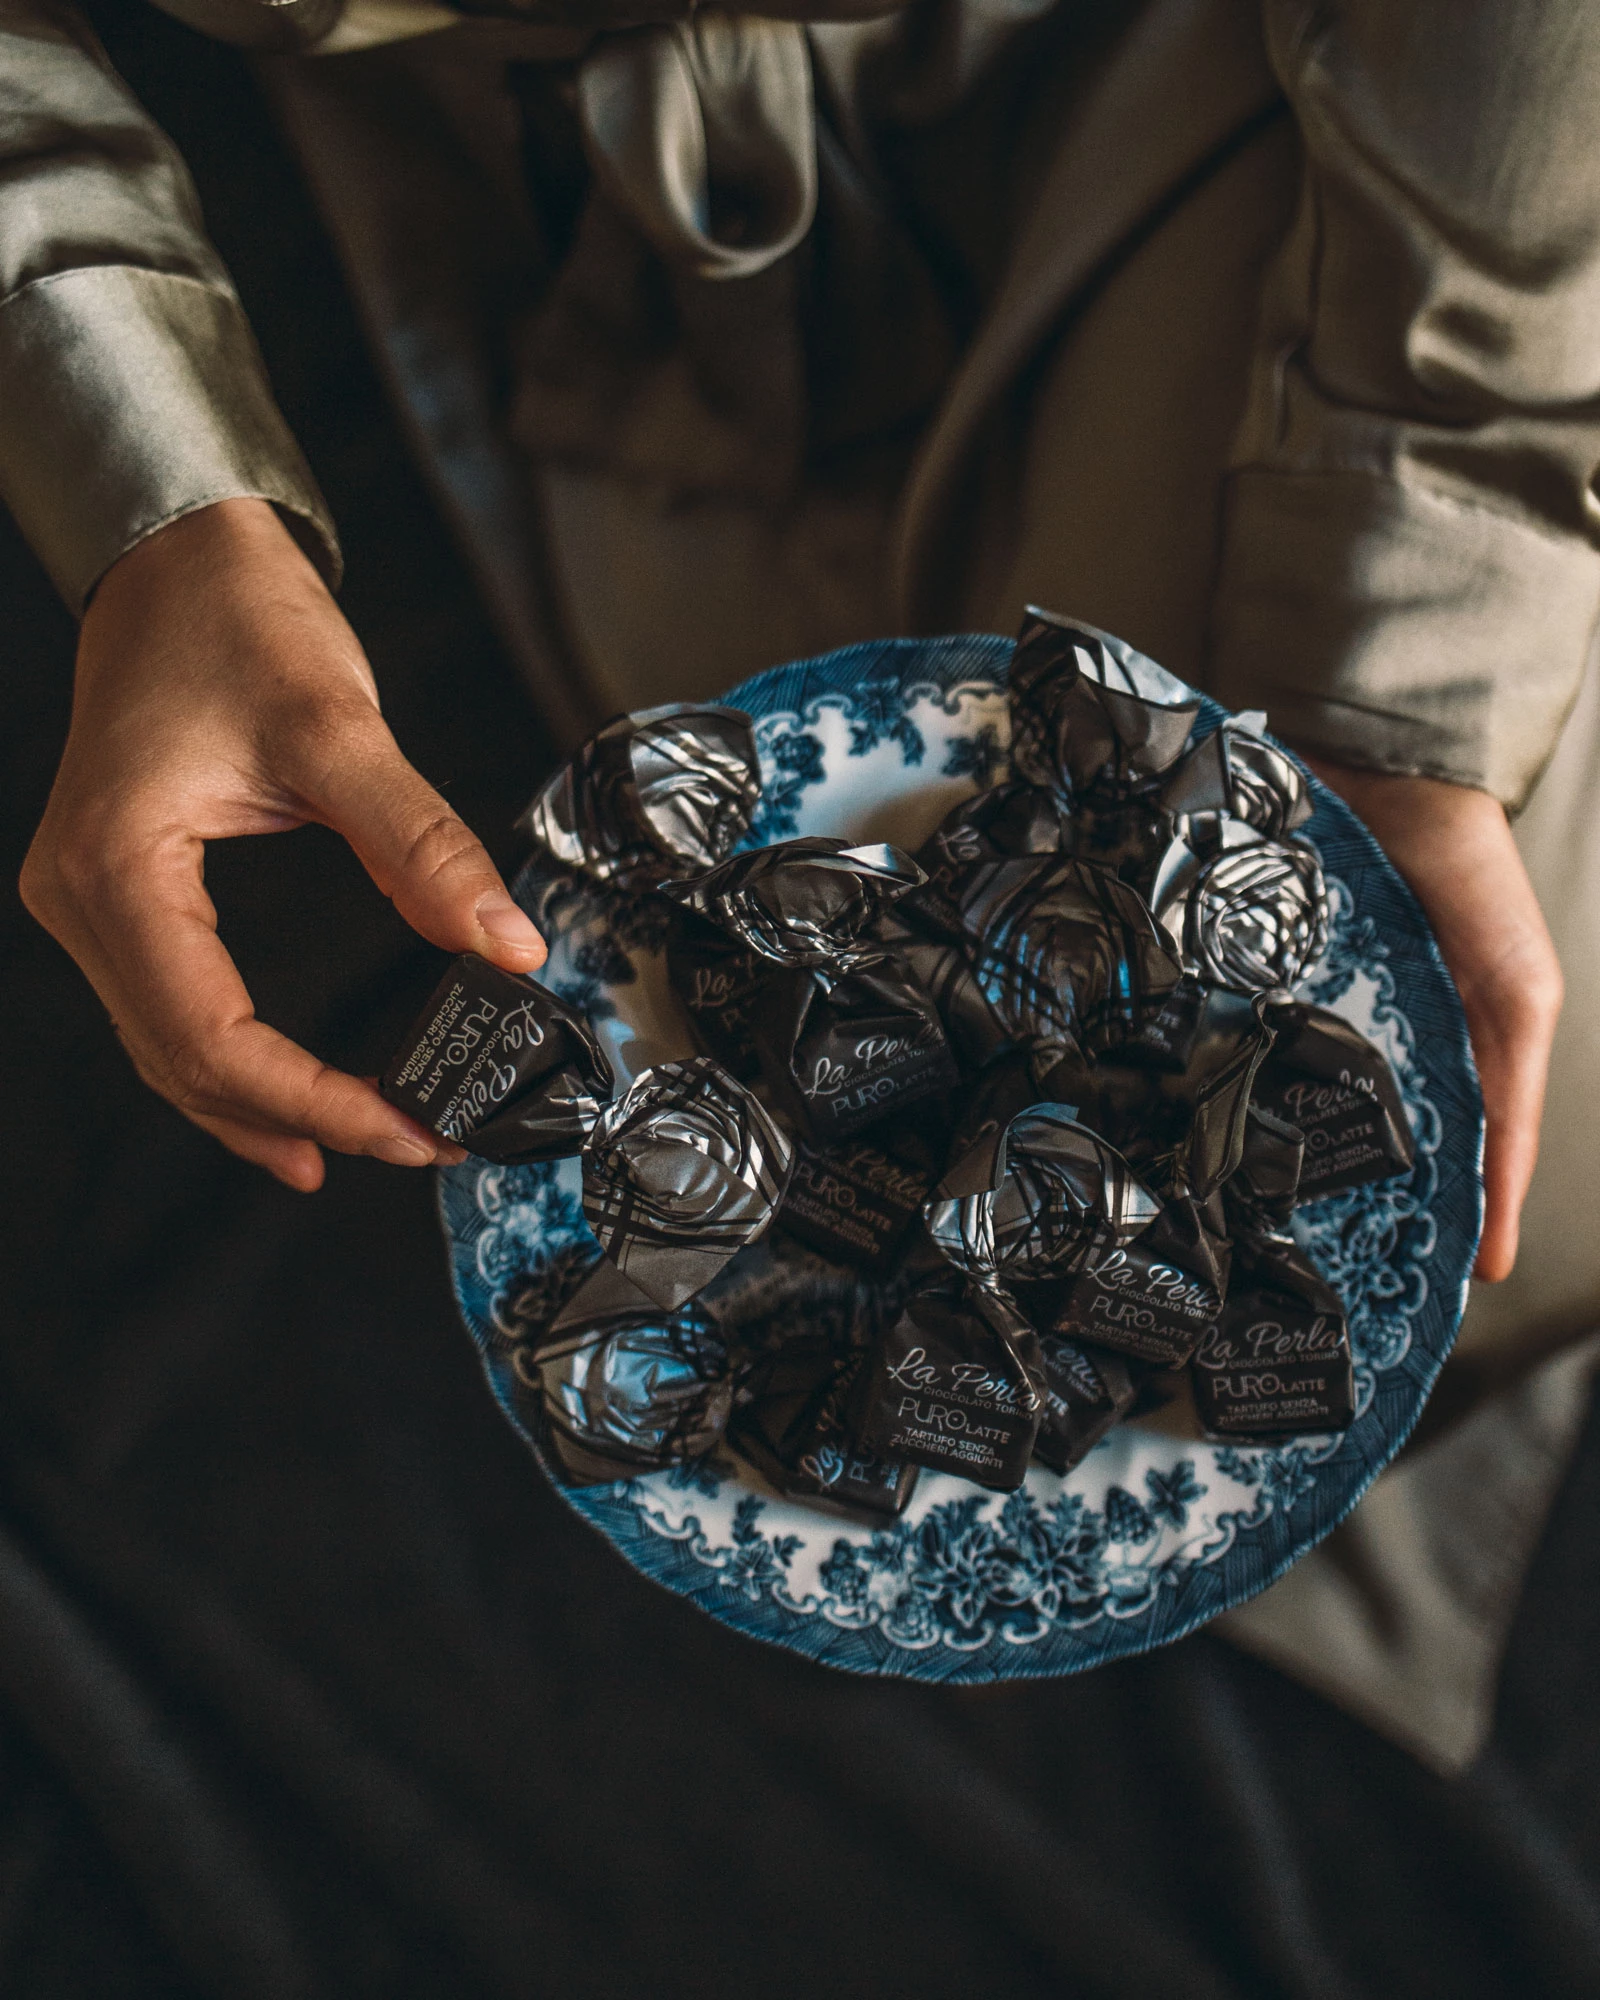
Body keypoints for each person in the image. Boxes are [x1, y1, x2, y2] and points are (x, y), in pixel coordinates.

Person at [4, 0, 1598, 1763]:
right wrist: (139, 460)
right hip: (547, 234)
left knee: (1517, 1113)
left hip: (1239, 113)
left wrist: (1421, 662)